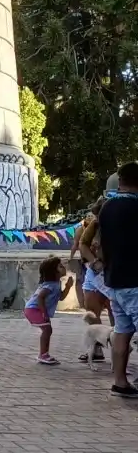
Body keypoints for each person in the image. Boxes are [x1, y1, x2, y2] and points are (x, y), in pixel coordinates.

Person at [97, 162, 138, 399]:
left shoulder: (107, 208)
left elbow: (103, 244)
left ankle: (120, 381)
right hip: (134, 279)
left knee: (121, 332)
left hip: (114, 279)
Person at [22, 256, 71, 365]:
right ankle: (43, 355)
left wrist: (68, 287)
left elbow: (61, 297)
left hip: (35, 309)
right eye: (60, 266)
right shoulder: (50, 285)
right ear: (54, 271)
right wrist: (44, 312)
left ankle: (44, 354)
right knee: (47, 329)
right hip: (33, 309)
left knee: (47, 329)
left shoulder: (56, 284)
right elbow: (40, 297)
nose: (64, 268)